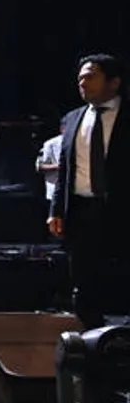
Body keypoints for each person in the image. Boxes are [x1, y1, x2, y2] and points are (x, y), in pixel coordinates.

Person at [48, 53, 127, 330]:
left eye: (91, 77)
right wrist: (56, 210)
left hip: (120, 208)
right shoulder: (73, 119)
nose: (82, 83)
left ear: (113, 82)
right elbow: (64, 170)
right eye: (80, 77)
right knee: (83, 281)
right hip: (81, 209)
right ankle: (89, 340)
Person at [36, 121, 63, 202]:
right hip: (55, 188)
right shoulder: (51, 143)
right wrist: (58, 166)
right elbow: (39, 166)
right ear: (62, 128)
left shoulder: (82, 142)